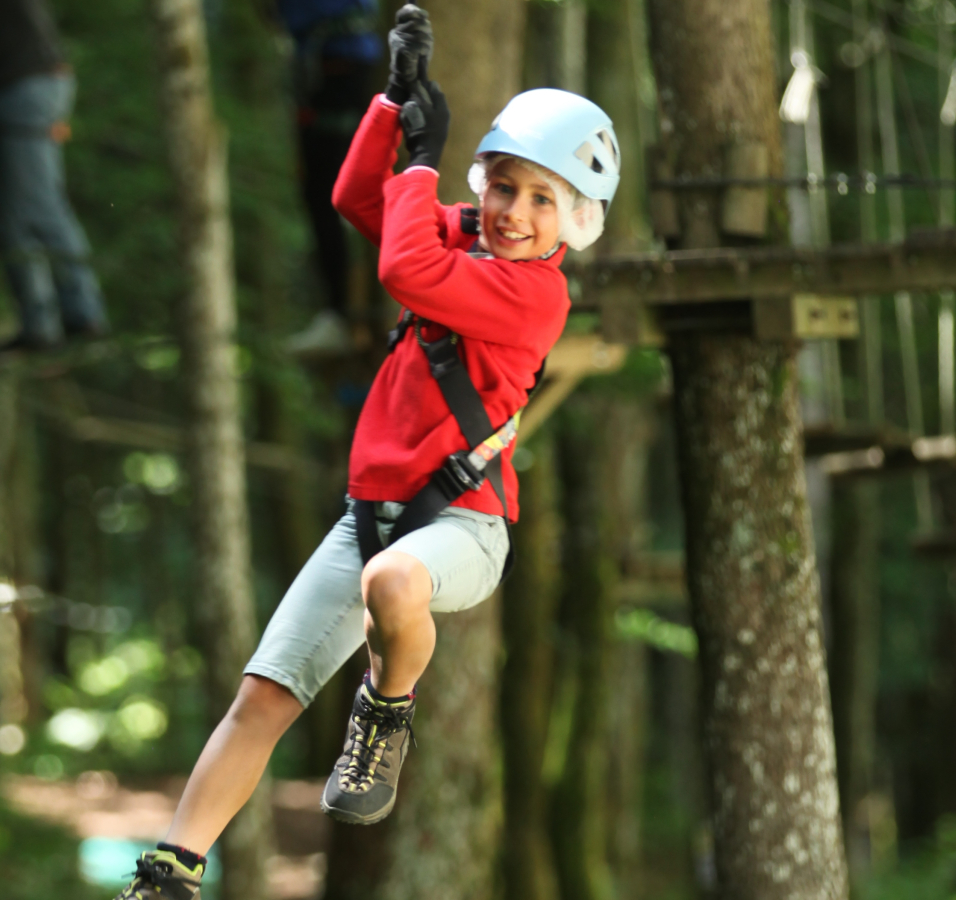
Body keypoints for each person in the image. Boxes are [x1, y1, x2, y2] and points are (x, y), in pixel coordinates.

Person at [113, 6, 620, 898]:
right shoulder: (461, 230)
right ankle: (171, 870)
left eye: (544, 201)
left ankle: (386, 713)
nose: (513, 213)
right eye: (504, 186)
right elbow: (357, 203)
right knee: (263, 695)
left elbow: (404, 272)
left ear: (575, 223)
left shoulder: (535, 298)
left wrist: (422, 164)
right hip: (371, 519)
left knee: (392, 585)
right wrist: (392, 109)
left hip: (463, 527)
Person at [0, 0, 109, 354]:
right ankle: (40, 326)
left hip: (24, 88)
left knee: (40, 207)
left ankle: (83, 315)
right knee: (0, 215)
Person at [274, 0, 383, 357]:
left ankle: (346, 314)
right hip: (329, 68)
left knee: (332, 193)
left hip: (339, 68)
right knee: (325, 192)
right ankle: (346, 312)